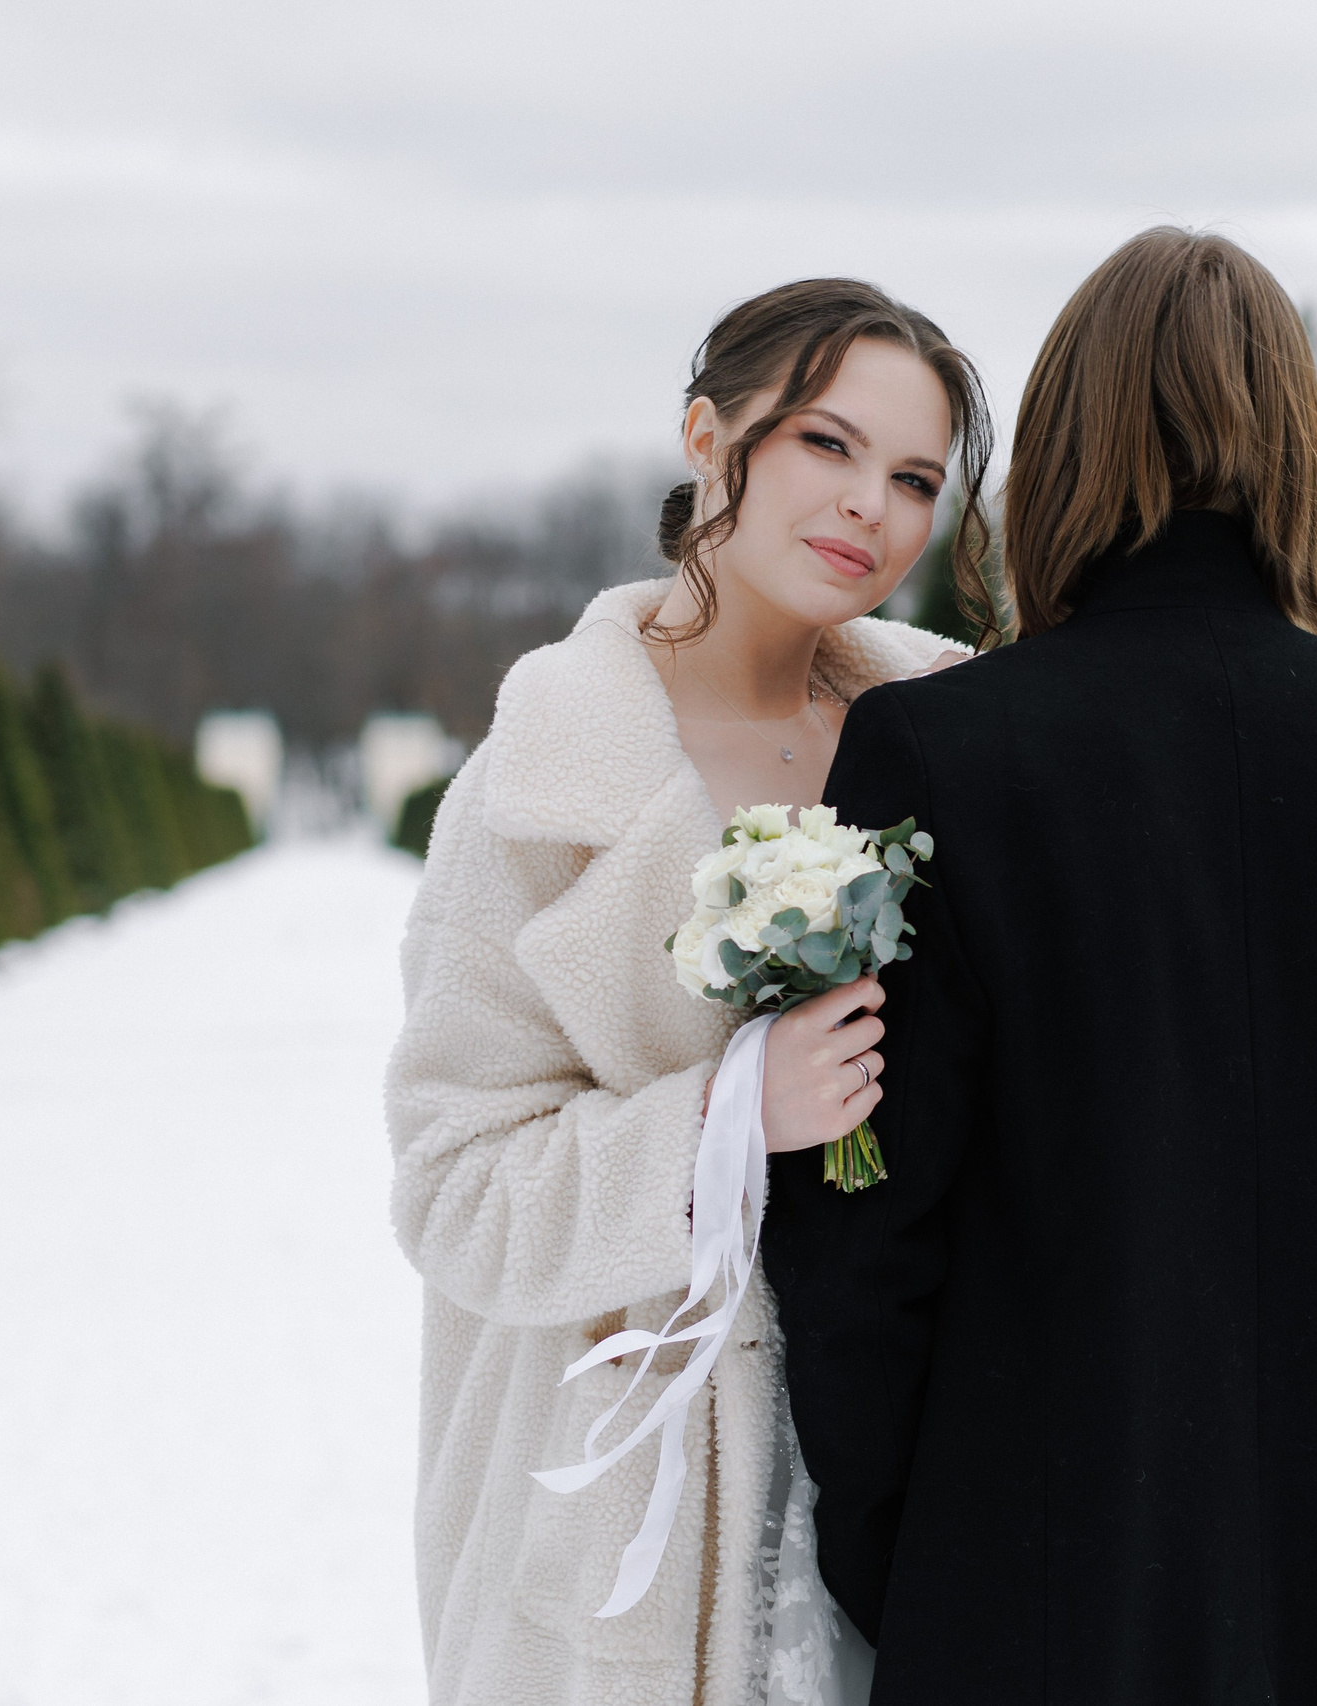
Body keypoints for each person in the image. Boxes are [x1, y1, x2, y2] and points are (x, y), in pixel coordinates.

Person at [762, 228, 1317, 1704]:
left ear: (1067, 447)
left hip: (1029, 1594)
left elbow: (862, 1234)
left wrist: (911, 1548)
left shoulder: (939, 755)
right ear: (1300, 450)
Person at [384, 277, 993, 1706]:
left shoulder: (956, 739)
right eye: (825, 446)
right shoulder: (539, 781)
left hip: (915, 1472)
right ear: (708, 435)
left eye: (915, 477)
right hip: (639, 1514)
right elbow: (451, 1187)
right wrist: (725, 1118)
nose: (873, 510)